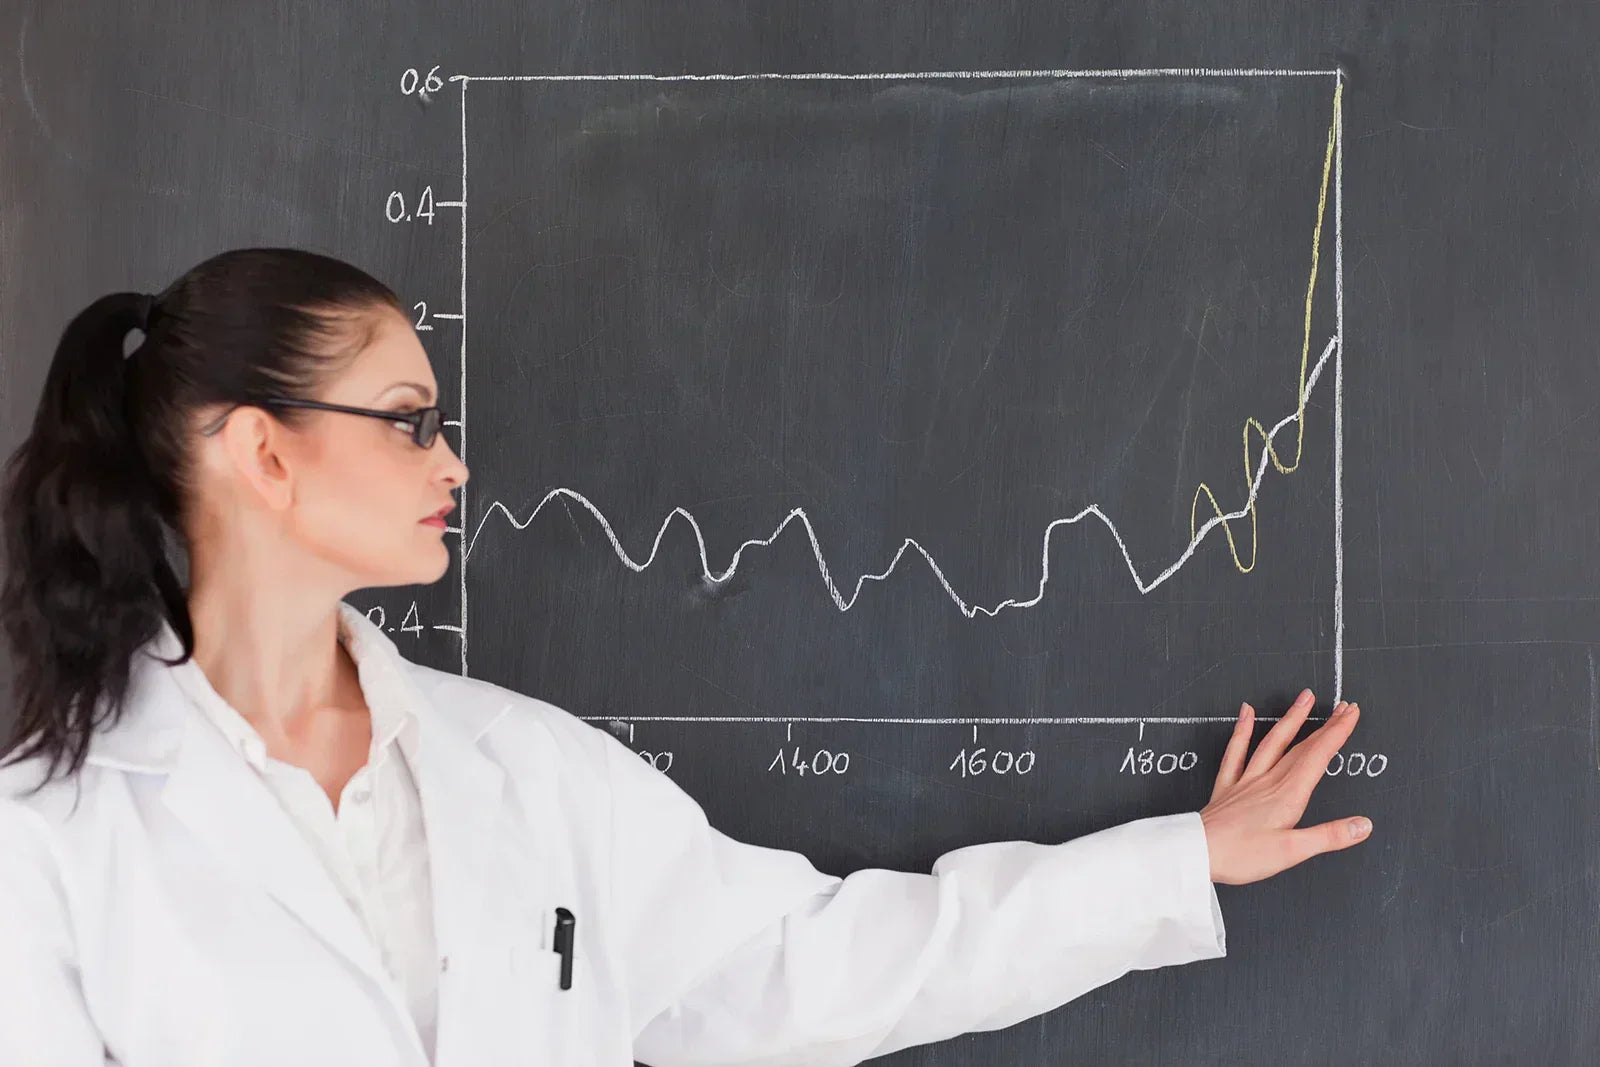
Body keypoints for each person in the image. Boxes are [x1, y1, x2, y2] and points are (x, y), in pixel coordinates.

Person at [0, 247, 1370, 1067]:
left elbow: (814, 968)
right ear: (264, 452)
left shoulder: (522, 770)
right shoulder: (51, 828)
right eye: (409, 421)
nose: (456, 462)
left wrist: (1177, 861)